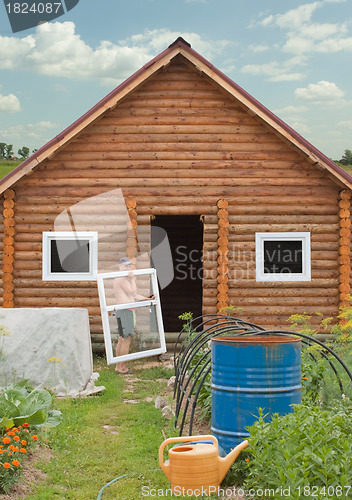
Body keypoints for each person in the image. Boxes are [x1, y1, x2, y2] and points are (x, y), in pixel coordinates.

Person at [113, 257, 154, 374]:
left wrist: (147, 299)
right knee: (126, 339)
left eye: (129, 266)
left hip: (124, 311)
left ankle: (118, 366)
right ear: (119, 266)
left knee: (122, 339)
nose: (128, 268)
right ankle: (123, 368)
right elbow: (133, 292)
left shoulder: (121, 278)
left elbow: (134, 296)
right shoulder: (122, 278)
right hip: (125, 311)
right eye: (125, 266)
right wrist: (132, 279)